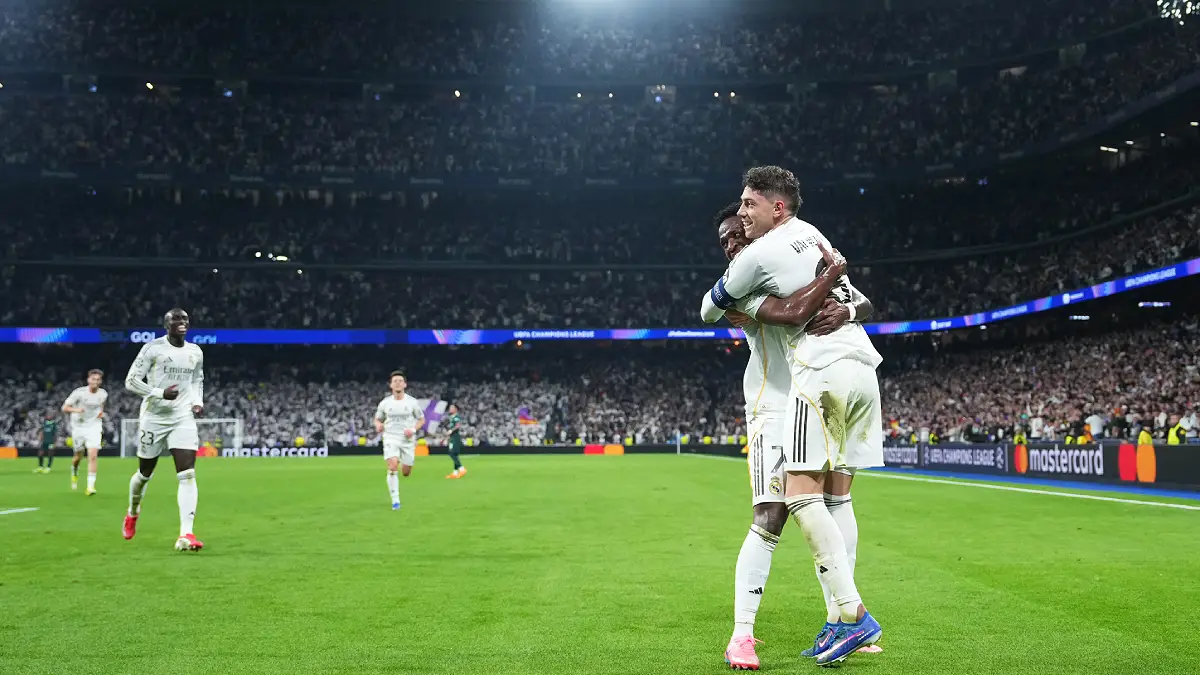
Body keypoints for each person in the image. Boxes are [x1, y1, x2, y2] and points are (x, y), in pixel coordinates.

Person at [702, 166, 885, 665]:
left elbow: (861, 299)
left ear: (763, 220)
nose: (731, 242)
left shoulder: (781, 253)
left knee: (834, 500)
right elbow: (777, 311)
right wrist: (830, 282)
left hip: (817, 388)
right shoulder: (742, 285)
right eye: (723, 240)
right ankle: (743, 633)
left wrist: (845, 309)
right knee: (771, 516)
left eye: (739, 228)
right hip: (772, 405)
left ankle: (843, 620)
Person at [122, 308, 206, 552]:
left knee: (187, 474)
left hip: (182, 417)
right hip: (154, 417)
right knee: (144, 473)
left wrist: (197, 402)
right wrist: (159, 393)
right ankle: (133, 512)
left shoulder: (195, 351)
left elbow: (196, 380)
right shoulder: (153, 348)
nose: (182, 323)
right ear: (166, 324)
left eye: (185, 319)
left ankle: (186, 534)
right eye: (176, 319)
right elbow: (131, 381)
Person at [374, 371, 425, 509]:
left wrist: (413, 430)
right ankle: (395, 500)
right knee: (392, 467)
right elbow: (377, 419)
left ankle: (403, 461)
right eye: (395, 381)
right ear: (391, 385)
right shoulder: (385, 403)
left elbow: (421, 419)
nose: (397, 383)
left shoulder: (412, 402)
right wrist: (378, 425)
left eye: (400, 380)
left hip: (407, 440)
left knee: (406, 472)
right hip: (390, 437)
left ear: (405, 384)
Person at [62, 369, 108, 494]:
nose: (95, 382)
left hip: (94, 426)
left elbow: (101, 405)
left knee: (93, 454)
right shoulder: (79, 393)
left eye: (98, 379)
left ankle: (90, 487)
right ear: (88, 380)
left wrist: (100, 413)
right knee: (78, 456)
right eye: (93, 379)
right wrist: (77, 410)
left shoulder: (103, 394)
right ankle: (75, 470)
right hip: (79, 426)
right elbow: (64, 408)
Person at [441, 403, 467, 479]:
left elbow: (458, 426)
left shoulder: (456, 417)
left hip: (455, 438)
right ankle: (455, 473)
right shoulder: (452, 417)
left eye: (451, 408)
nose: (450, 409)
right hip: (452, 437)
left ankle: (462, 469)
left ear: (455, 409)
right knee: (455, 454)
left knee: (452, 453)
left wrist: (451, 431)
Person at [35, 410, 59, 474]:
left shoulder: (54, 424)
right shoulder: (44, 423)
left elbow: (56, 434)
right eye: (48, 415)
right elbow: (41, 431)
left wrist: (55, 442)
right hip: (44, 441)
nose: (48, 416)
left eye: (50, 415)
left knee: (50, 454)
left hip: (51, 441)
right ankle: (40, 467)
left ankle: (48, 467)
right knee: (40, 453)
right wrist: (39, 435)